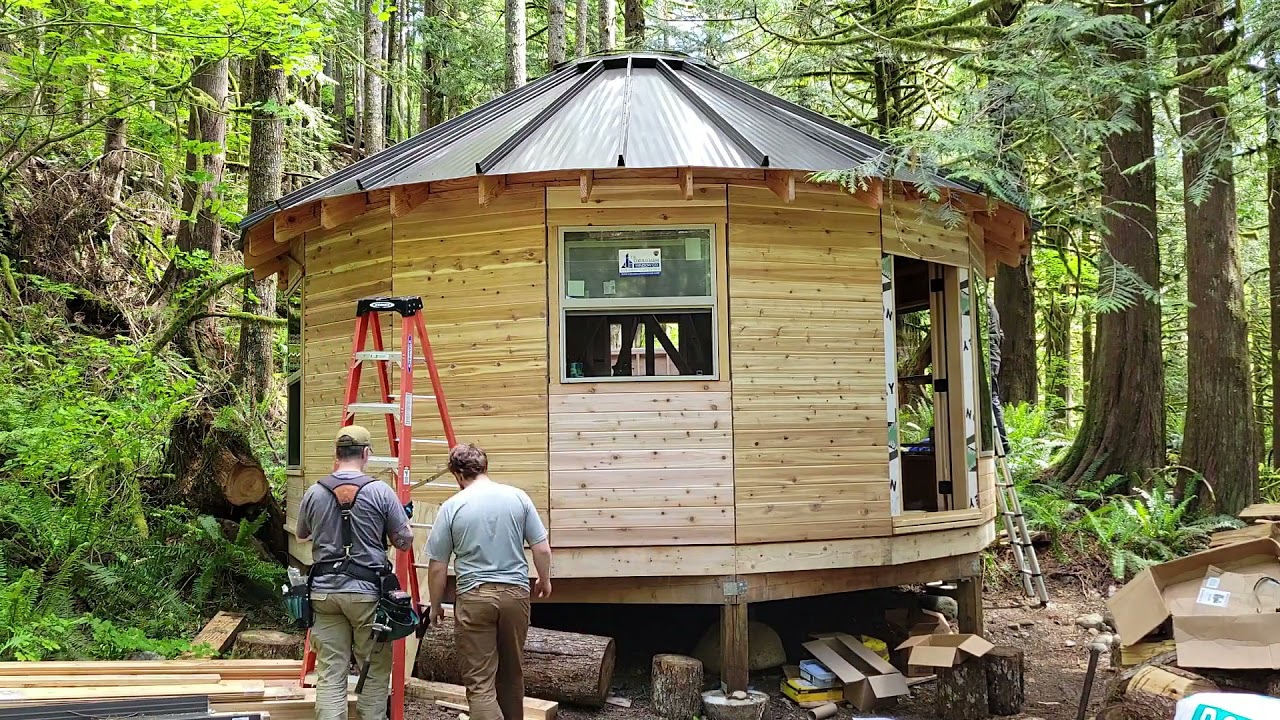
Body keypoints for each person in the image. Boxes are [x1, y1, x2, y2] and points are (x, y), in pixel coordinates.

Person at [296, 426, 414, 720]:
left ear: (336, 454)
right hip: (367, 594)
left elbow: (301, 535)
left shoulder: (315, 492)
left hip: (324, 594)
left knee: (330, 670)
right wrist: (399, 518)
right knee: (373, 670)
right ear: (366, 453)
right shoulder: (380, 492)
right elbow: (404, 541)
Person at [426, 444, 552, 720]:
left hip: (475, 597)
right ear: (485, 467)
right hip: (516, 596)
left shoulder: (452, 506)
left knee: (480, 682)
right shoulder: (518, 498)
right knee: (511, 674)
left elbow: (437, 567)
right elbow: (542, 549)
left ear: (458, 474)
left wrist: (435, 606)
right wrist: (544, 580)